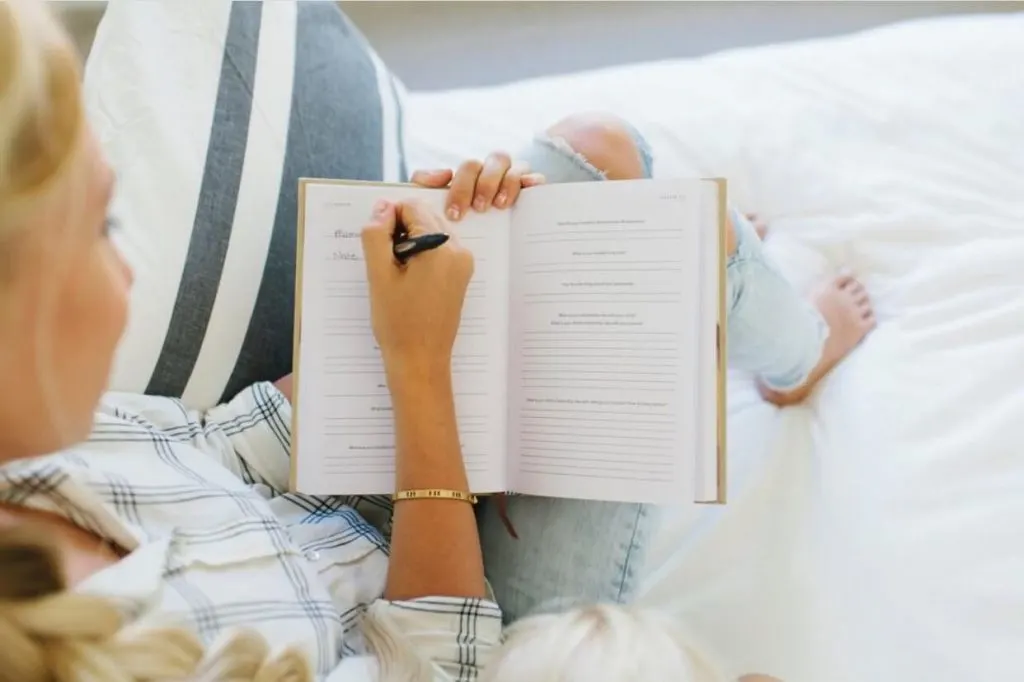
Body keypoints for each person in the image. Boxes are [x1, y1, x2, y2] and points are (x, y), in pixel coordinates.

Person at [0, 1, 871, 680]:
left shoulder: (42, 462)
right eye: (101, 227)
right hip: (488, 637)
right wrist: (423, 381)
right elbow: (437, 664)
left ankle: (693, 283)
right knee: (693, 247)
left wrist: (424, 299)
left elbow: (226, 449)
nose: (126, 272)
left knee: (600, 165)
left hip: (389, 468)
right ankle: (793, 350)